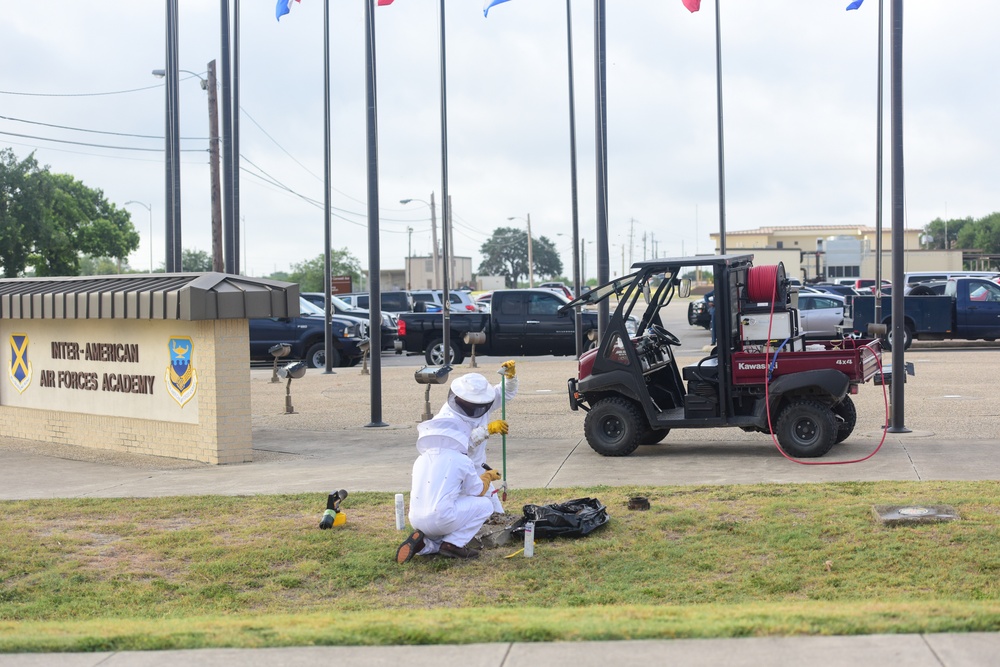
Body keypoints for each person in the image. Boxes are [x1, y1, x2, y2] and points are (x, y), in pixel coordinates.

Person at [396, 414, 506, 563]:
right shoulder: (461, 459)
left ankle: (424, 545)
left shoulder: (420, 459)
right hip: (442, 518)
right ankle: (453, 544)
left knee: (438, 531)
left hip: (416, 520)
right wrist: (488, 476)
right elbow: (476, 491)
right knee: (486, 505)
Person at [432, 364, 518, 512]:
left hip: (478, 469)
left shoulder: (482, 403)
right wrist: (487, 430)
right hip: (455, 475)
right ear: (459, 397)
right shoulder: (447, 417)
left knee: (497, 514)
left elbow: (505, 393)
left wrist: (510, 378)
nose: (475, 407)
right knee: (465, 513)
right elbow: (458, 444)